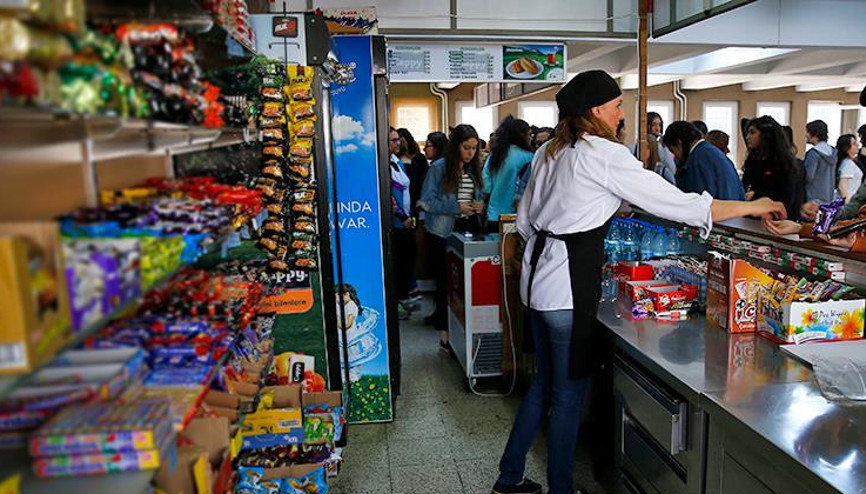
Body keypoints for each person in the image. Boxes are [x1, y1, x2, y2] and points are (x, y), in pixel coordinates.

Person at [491, 70, 786, 494]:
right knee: (569, 394)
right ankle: (560, 489)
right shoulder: (605, 154)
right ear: (596, 110)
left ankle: (509, 475)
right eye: (615, 107)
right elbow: (682, 205)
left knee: (543, 385)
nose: (620, 114)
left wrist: (608, 205)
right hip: (567, 287)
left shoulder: (551, 151)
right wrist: (755, 205)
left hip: (537, 282)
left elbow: (526, 219)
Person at [419, 124, 484, 347]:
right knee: (445, 282)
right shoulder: (439, 167)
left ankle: (463, 331)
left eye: (475, 149)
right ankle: (445, 332)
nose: (471, 153)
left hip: (469, 228)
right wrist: (457, 207)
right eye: (467, 148)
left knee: (464, 285)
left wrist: (478, 205)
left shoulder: (474, 168)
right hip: (442, 231)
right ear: (456, 146)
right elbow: (426, 202)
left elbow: (477, 195)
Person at [742, 116, 805, 220]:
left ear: (765, 135)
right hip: (752, 216)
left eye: (752, 133)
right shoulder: (752, 161)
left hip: (777, 220)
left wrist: (756, 195)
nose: (748, 137)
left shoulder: (783, 163)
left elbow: (787, 197)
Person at [662, 121, 745, 200]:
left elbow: (699, 202)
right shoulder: (711, 153)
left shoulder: (697, 160)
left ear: (679, 143)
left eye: (672, 150)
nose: (675, 157)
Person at [483, 116, 535, 232]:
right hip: (516, 216)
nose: (531, 138)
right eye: (529, 134)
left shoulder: (495, 155)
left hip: (493, 215)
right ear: (523, 135)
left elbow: (486, 187)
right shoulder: (529, 157)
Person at [387, 128, 416, 319]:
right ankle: (395, 302)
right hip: (395, 224)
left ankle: (405, 298)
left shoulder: (398, 162)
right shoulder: (382, 164)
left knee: (407, 262)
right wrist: (402, 216)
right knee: (396, 265)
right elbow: (389, 197)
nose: (398, 143)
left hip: (406, 221)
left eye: (398, 139)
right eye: (393, 140)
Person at [803, 120, 837, 204]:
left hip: (813, 199)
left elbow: (808, 177)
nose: (805, 135)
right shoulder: (833, 152)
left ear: (815, 134)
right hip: (829, 197)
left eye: (807, 132)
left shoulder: (813, 154)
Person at [837, 134, 863, 203]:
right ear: (847, 148)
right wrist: (848, 205)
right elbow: (842, 188)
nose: (857, 145)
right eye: (854, 144)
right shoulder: (848, 164)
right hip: (849, 203)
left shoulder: (850, 162)